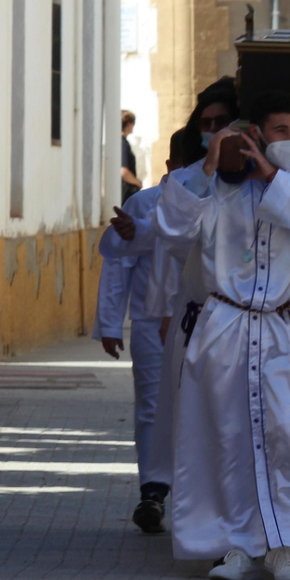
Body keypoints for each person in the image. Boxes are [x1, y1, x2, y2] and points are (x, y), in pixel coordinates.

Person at [151, 90, 290, 580]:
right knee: (227, 434)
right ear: (255, 133)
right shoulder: (216, 190)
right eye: (280, 130)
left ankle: (284, 544)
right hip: (226, 329)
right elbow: (174, 228)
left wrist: (272, 176)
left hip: (284, 331)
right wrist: (210, 163)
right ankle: (233, 545)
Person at [96, 137, 186, 533]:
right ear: (169, 163)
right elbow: (118, 267)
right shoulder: (144, 205)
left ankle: (195, 491)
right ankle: (153, 490)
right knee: (152, 405)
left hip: (209, 321)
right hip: (152, 323)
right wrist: (110, 324)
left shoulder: (219, 204)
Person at [120, 109, 143, 203]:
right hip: (125, 195)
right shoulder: (122, 143)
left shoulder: (120, 142)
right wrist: (138, 183)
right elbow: (123, 172)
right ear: (129, 124)